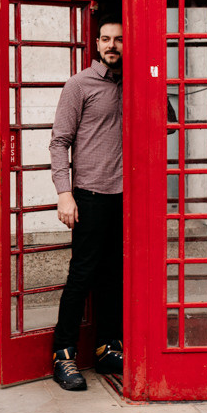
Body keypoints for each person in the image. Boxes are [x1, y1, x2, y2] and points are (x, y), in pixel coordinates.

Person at [47, 20, 125, 391]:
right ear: (96, 42)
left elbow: (169, 123)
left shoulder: (135, 83)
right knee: (82, 276)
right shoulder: (79, 85)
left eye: (120, 40)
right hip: (90, 195)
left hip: (127, 197)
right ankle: (63, 354)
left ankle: (108, 347)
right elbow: (59, 141)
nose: (112, 45)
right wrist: (64, 192)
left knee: (115, 275)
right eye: (106, 39)